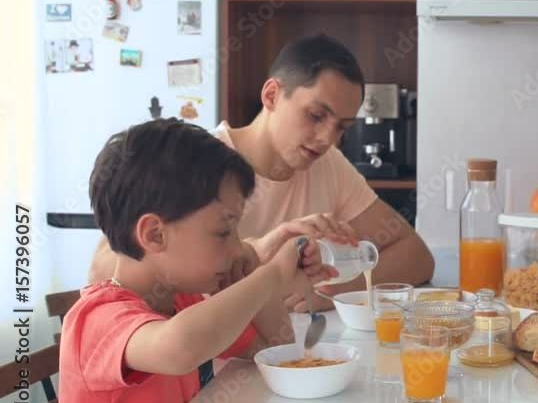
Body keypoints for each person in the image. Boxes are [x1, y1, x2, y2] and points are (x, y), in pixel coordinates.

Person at [90, 34, 435, 312]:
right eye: (316, 116)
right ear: (271, 95)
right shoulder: (196, 162)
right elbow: (104, 268)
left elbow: (416, 256)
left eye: (342, 127)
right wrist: (252, 252)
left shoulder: (328, 164)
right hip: (203, 365)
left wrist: (336, 292)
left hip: (269, 352)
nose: (328, 138)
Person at [59, 119, 340, 403]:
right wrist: (273, 276)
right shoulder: (99, 320)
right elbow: (179, 348)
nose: (237, 247)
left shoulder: (184, 300)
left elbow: (272, 348)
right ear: (155, 234)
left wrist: (251, 274)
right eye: (223, 231)